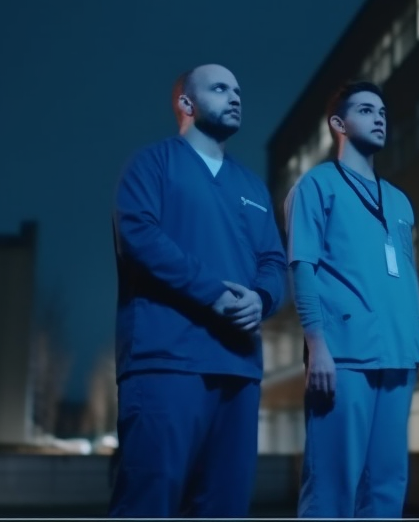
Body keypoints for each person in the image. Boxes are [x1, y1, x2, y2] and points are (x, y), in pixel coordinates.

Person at [108, 63, 288, 518]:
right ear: (186, 104)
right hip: (168, 361)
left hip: (239, 368)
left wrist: (262, 298)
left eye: (239, 90)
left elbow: (273, 261)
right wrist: (214, 292)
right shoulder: (152, 164)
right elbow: (139, 237)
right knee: (149, 502)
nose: (235, 96)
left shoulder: (251, 186)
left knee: (224, 508)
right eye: (220, 88)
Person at [284, 81, 419, 518]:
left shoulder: (400, 202)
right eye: (366, 110)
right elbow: (302, 265)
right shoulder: (318, 185)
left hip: (400, 355)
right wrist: (316, 344)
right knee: (333, 484)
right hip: (343, 354)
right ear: (338, 124)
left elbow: (405, 274)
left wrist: (417, 334)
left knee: (387, 485)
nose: (379, 117)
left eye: (382, 111)